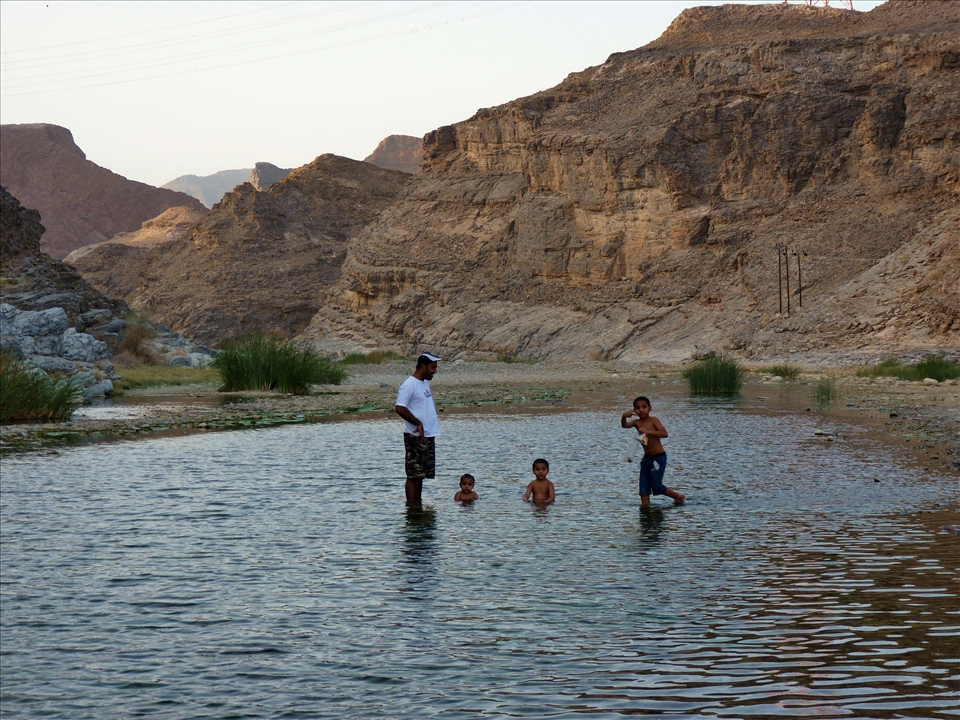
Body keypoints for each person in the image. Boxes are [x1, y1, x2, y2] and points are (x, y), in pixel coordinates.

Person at [621, 396, 685, 507]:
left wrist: (648, 432)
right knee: (643, 487)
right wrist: (624, 416)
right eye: (638, 408)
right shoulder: (636, 422)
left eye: (644, 407)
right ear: (634, 410)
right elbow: (625, 425)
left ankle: (678, 497)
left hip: (658, 458)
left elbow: (664, 433)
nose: (641, 410)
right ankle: (646, 509)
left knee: (656, 485)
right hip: (646, 459)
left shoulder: (653, 420)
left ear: (650, 408)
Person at [396, 353, 441, 506]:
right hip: (415, 436)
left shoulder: (424, 383)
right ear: (423, 366)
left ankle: (417, 505)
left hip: (428, 435)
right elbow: (400, 408)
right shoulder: (409, 384)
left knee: (421, 475)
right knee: (413, 474)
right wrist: (417, 423)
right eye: (433, 367)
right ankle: (411, 507)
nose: (435, 371)